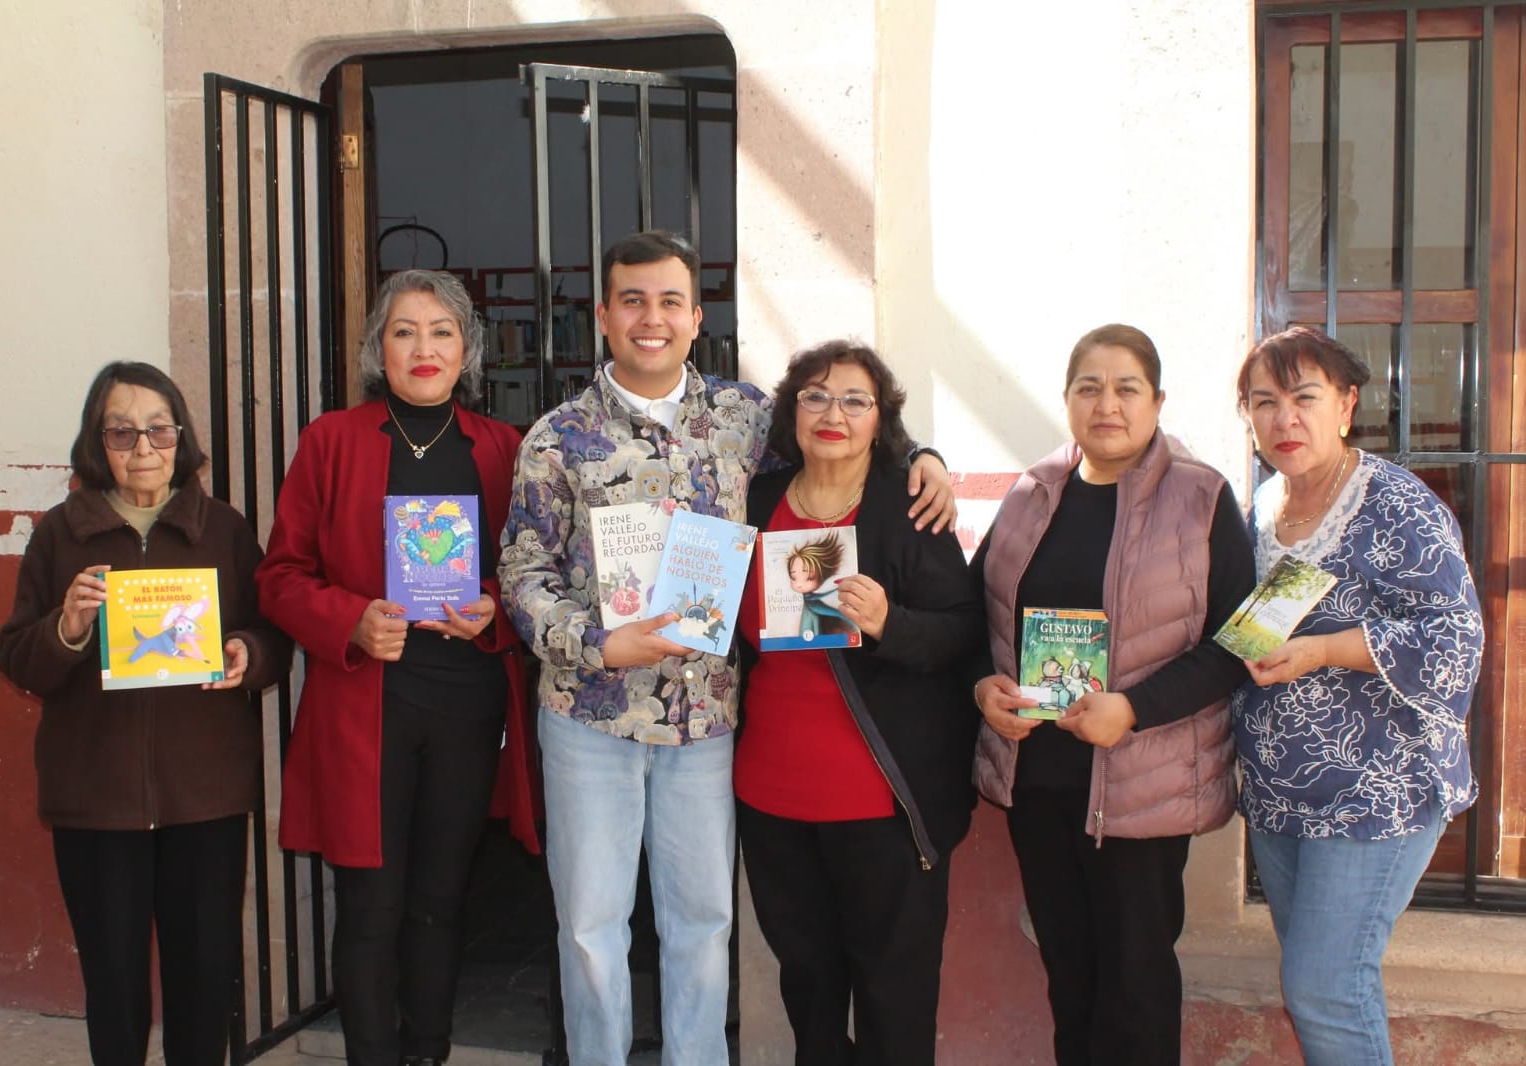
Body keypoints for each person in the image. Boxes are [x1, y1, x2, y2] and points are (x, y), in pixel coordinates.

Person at [497, 231, 956, 1066]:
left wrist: (924, 455)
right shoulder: (556, 437)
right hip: (590, 717)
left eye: (670, 301)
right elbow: (523, 572)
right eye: (632, 301)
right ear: (603, 316)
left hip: (706, 722)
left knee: (703, 925)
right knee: (591, 930)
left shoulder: (744, 419)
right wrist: (597, 644)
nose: (652, 318)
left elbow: (842, 430)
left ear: (695, 318)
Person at [255, 270, 537, 1066]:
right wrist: (349, 619)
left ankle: (428, 1051)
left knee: (441, 901)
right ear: (379, 348)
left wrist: (492, 606)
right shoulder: (331, 441)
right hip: (366, 706)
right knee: (372, 908)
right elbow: (279, 577)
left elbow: (536, 573)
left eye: (442, 330)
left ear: (468, 348)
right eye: (404, 330)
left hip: (467, 705)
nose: (424, 347)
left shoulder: (504, 448)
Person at [971, 323, 1255, 1065]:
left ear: (1157, 401)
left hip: (1142, 789)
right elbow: (976, 609)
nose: (1107, 405)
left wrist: (1132, 709)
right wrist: (982, 684)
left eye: (1127, 388)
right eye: (1089, 387)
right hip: (1041, 783)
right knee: (1071, 980)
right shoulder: (1032, 494)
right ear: (1067, 399)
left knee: (1135, 990)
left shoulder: (1201, 497)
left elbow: (1238, 642)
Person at [0, 361, 290, 1066]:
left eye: (159, 428)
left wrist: (247, 654)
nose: (143, 447)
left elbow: (273, 634)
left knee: (203, 980)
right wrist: (66, 627)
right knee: (114, 984)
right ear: (97, 443)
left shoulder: (222, 529)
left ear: (180, 436)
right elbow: (17, 658)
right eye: (121, 432)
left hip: (206, 796)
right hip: (95, 800)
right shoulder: (60, 534)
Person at [1233, 326, 1482, 1065]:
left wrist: (1324, 650)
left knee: (1324, 988)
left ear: (1346, 406)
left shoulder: (1396, 506)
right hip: (1280, 795)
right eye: (1264, 402)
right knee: (1325, 983)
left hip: (1377, 792)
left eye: (1304, 398)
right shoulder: (1261, 507)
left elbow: (1455, 641)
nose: (1285, 419)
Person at [734, 340, 983, 1065]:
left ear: (881, 420)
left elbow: (964, 630)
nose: (832, 413)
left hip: (883, 805)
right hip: (773, 801)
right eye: (814, 395)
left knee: (893, 1004)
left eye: (854, 400)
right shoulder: (753, 501)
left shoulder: (907, 506)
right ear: (791, 412)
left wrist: (888, 625)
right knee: (810, 995)